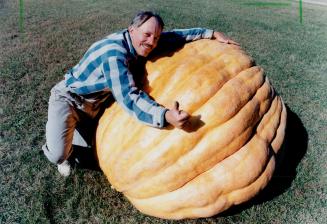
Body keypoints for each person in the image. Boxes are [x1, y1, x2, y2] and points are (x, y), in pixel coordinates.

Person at [42, 11, 239, 177]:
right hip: (70, 99)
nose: (152, 42)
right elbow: (130, 98)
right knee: (60, 153)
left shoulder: (141, 41)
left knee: (98, 150)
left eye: (156, 37)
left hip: (98, 102)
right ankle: (60, 149)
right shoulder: (114, 54)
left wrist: (211, 33)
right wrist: (165, 116)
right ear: (131, 30)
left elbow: (175, 36)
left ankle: (73, 130)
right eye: (147, 35)